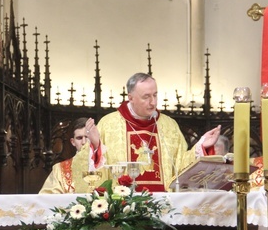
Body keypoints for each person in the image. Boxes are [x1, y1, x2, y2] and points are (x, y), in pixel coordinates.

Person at [73, 72, 221, 192]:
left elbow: (180, 166)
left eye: (155, 95)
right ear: (130, 98)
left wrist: (201, 146)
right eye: (146, 97)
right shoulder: (109, 124)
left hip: (164, 208)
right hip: (124, 210)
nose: (153, 102)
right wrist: (96, 145)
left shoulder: (169, 126)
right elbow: (87, 169)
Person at [39, 117, 88, 194]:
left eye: (87, 137)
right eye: (79, 138)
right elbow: (47, 198)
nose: (84, 142)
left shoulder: (104, 168)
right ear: (73, 142)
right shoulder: (59, 169)